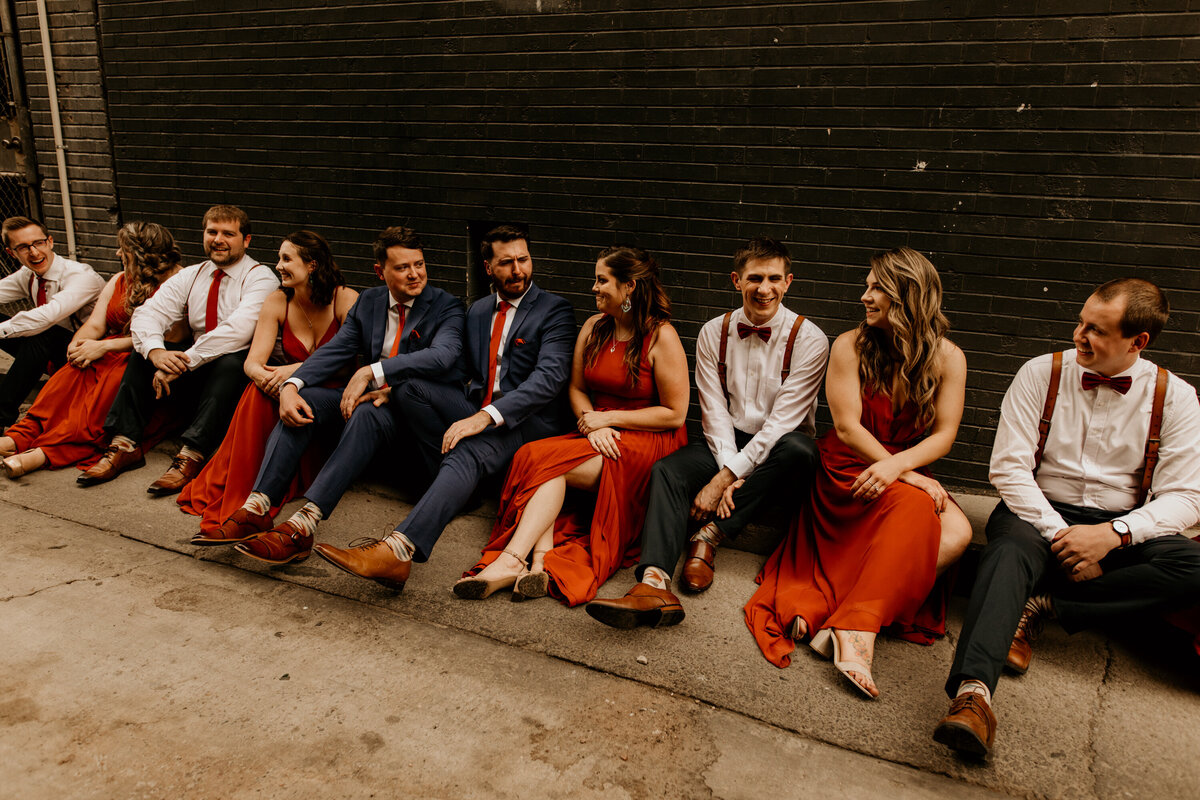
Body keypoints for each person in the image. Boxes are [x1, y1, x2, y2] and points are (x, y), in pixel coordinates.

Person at [934, 278, 1200, 759]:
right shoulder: (1040, 373)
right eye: (1081, 322)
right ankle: (972, 696)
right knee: (1008, 552)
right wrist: (1065, 535)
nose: (1078, 335)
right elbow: (1008, 470)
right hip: (1036, 511)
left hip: (1122, 524)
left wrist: (1113, 535)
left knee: (1195, 566)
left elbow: (1185, 497)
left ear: (1137, 342)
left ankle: (1047, 606)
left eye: (1096, 330)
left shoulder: (1177, 398)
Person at [743, 247, 971, 699]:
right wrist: (901, 473)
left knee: (959, 534)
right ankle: (858, 632)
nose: (864, 296)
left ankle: (848, 610)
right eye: (866, 286)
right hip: (853, 467)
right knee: (916, 506)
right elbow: (847, 428)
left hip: (898, 466)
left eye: (875, 288)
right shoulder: (849, 345)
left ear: (906, 295)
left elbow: (944, 436)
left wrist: (900, 467)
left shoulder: (949, 357)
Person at [310, 224, 575, 589]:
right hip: (475, 408)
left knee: (467, 451)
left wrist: (483, 417)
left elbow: (547, 381)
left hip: (526, 422)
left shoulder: (554, 310)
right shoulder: (480, 310)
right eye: (506, 262)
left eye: (523, 260)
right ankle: (452, 489)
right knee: (409, 389)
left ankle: (399, 550)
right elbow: (460, 369)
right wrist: (390, 387)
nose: (517, 270)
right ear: (488, 268)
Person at [586, 237, 829, 629]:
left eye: (773, 279)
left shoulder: (810, 339)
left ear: (788, 283)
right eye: (754, 278)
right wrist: (725, 469)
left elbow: (782, 423)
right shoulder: (713, 332)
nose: (763, 289)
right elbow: (713, 412)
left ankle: (710, 535)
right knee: (666, 471)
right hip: (724, 440)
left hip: (780, 450)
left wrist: (724, 480)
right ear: (736, 281)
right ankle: (653, 582)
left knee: (802, 451)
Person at [453, 244, 689, 605]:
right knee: (533, 454)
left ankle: (511, 561)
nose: (593, 288)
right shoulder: (595, 327)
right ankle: (538, 562)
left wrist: (609, 419)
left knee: (552, 466)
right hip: (598, 429)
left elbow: (674, 413)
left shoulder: (662, 336)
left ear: (629, 288)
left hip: (646, 438)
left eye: (601, 280)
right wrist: (591, 423)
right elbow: (576, 388)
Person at [217, 226, 465, 565]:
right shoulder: (370, 301)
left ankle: (303, 524)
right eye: (402, 267)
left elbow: (444, 356)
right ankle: (258, 507)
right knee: (307, 401)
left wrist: (372, 372)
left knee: (367, 410)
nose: (414, 274)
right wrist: (292, 386)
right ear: (380, 271)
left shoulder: (446, 306)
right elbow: (335, 350)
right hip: (374, 408)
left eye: (419, 264)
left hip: (419, 419)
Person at [77, 205, 278, 493]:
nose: (218, 239)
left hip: (233, 372)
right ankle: (125, 444)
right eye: (212, 232)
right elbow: (148, 314)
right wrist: (157, 352)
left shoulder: (261, 278)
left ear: (246, 240)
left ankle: (192, 453)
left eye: (228, 234)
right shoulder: (193, 274)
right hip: (196, 364)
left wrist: (185, 362)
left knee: (232, 362)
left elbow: (238, 331)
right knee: (141, 353)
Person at [179, 230, 357, 539]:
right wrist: (267, 378)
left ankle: (255, 501)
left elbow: (346, 360)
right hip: (293, 394)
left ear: (312, 266)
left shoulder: (345, 298)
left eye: (287, 259)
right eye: (279, 258)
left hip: (336, 397)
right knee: (256, 390)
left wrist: (290, 372)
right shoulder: (278, 300)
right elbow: (252, 362)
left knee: (275, 385)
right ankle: (248, 497)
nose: (278, 266)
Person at [0, 222, 183, 477]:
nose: (118, 255)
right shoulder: (120, 278)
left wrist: (102, 346)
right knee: (69, 374)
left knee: (105, 387)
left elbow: (170, 338)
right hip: (108, 346)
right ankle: (21, 436)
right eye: (22, 247)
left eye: (123, 250)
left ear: (140, 253)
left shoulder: (179, 282)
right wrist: (79, 344)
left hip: (143, 355)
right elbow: (96, 323)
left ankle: (46, 452)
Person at [0, 216, 104, 428]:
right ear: (12, 253)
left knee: (41, 331)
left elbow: (48, 316)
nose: (34, 252)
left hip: (91, 357)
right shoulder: (28, 275)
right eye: (23, 247)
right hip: (52, 353)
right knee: (35, 333)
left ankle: (0, 417)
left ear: (50, 241)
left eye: (38, 243)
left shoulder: (80, 276)